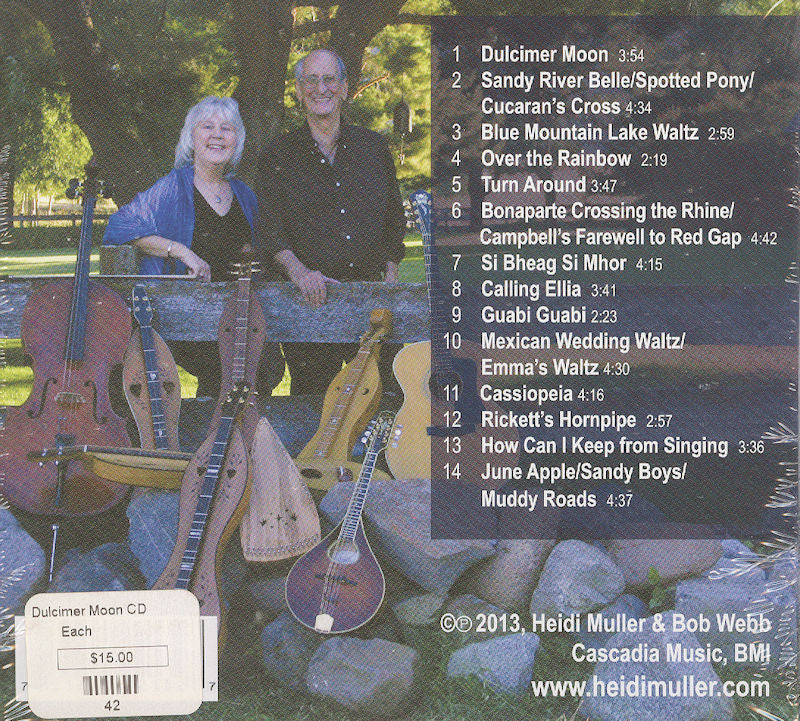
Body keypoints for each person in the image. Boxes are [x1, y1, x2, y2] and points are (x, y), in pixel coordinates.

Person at [103, 95, 284, 397]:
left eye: (226, 128)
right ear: (191, 137)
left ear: (236, 140)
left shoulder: (243, 195)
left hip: (240, 317)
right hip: (189, 319)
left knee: (258, 374)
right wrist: (182, 251)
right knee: (225, 377)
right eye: (207, 127)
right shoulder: (173, 186)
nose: (217, 135)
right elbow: (120, 226)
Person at [257, 49, 406, 395]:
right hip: (310, 305)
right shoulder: (277, 155)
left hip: (372, 303)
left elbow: (394, 220)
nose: (319, 88)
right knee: (313, 401)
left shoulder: (374, 148)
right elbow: (270, 232)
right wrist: (299, 273)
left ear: (344, 88)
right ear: (298, 89)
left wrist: (391, 268)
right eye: (311, 80)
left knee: (385, 398)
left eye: (329, 79)